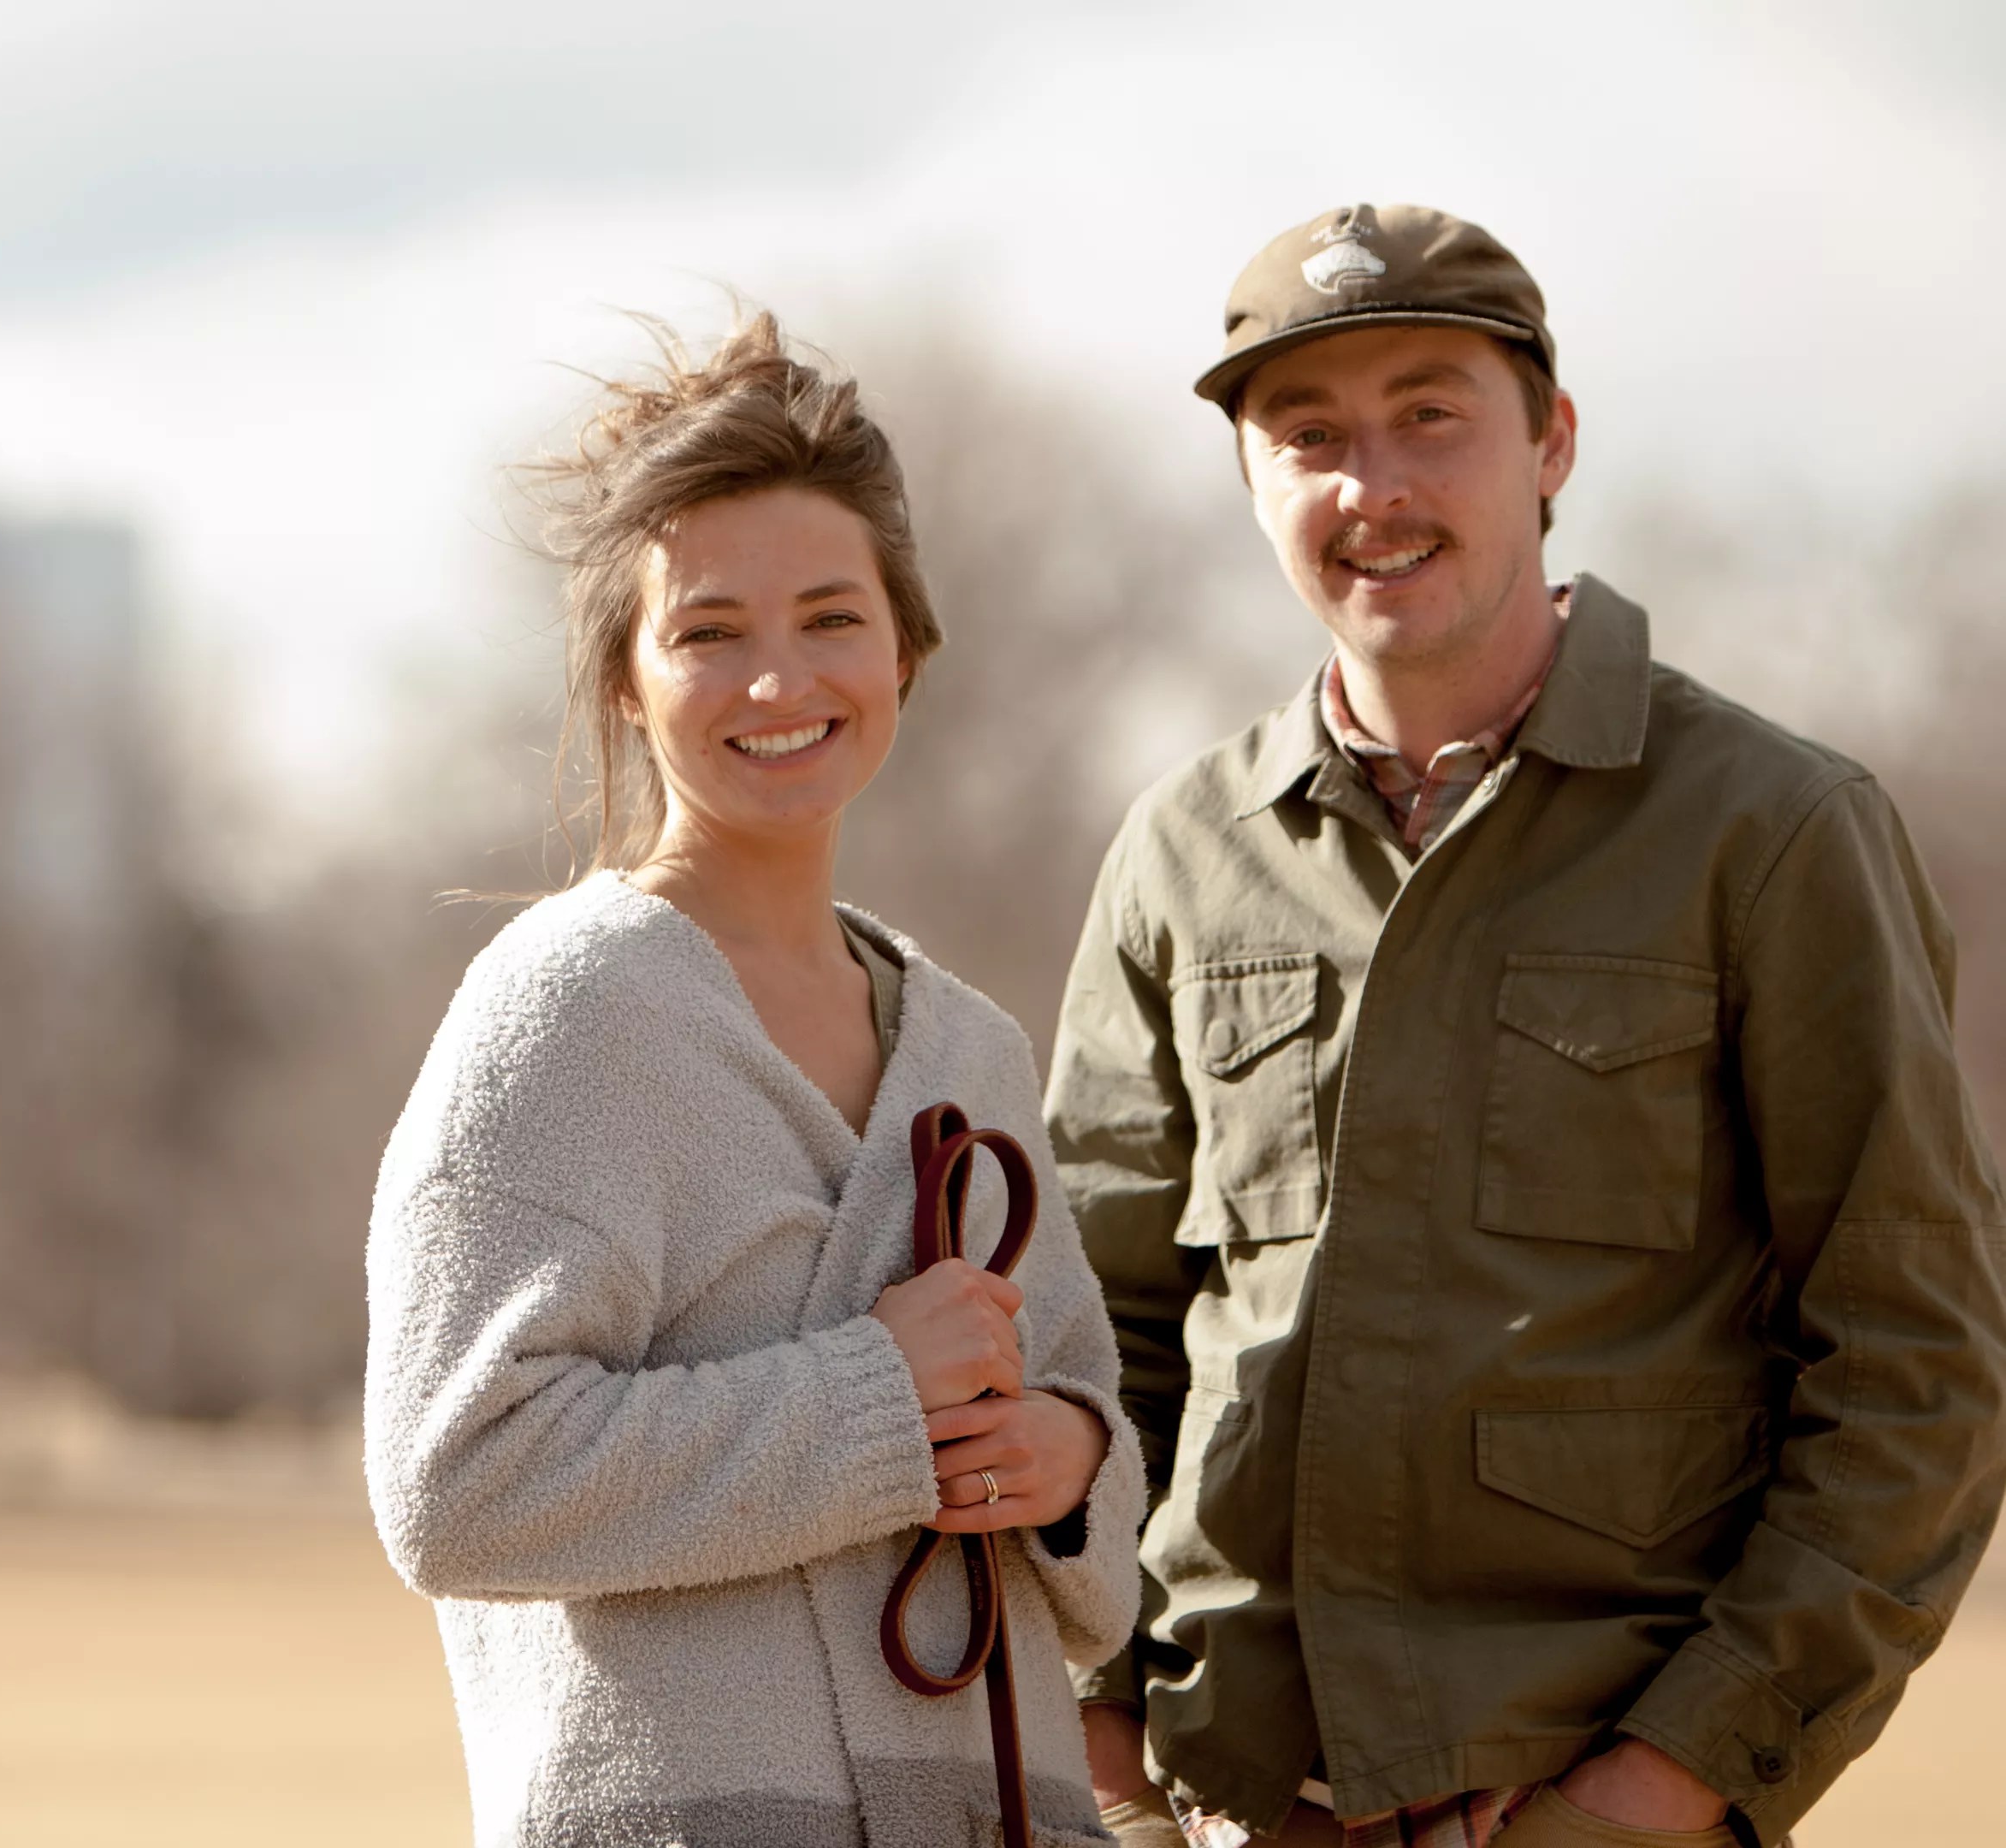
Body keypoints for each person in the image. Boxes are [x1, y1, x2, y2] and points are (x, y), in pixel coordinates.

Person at [1049, 203, 2006, 1848]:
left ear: (1552, 441)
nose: (1374, 487)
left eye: (1431, 415)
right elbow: (1097, 1341)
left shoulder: (1771, 830)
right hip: (1225, 1802)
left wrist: (1665, 1786)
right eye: (1309, 436)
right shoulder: (1183, 851)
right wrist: (1108, 1752)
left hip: (1588, 1793)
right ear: (1252, 480)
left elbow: (1914, 1367)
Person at [366, 312, 1149, 1846]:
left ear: (906, 648)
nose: (779, 677)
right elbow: (457, 1482)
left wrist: (1064, 1464)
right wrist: (880, 1401)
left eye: (831, 617)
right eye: (710, 632)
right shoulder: (572, 1009)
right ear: (626, 680)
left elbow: (1089, 1499)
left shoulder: (972, 1047)